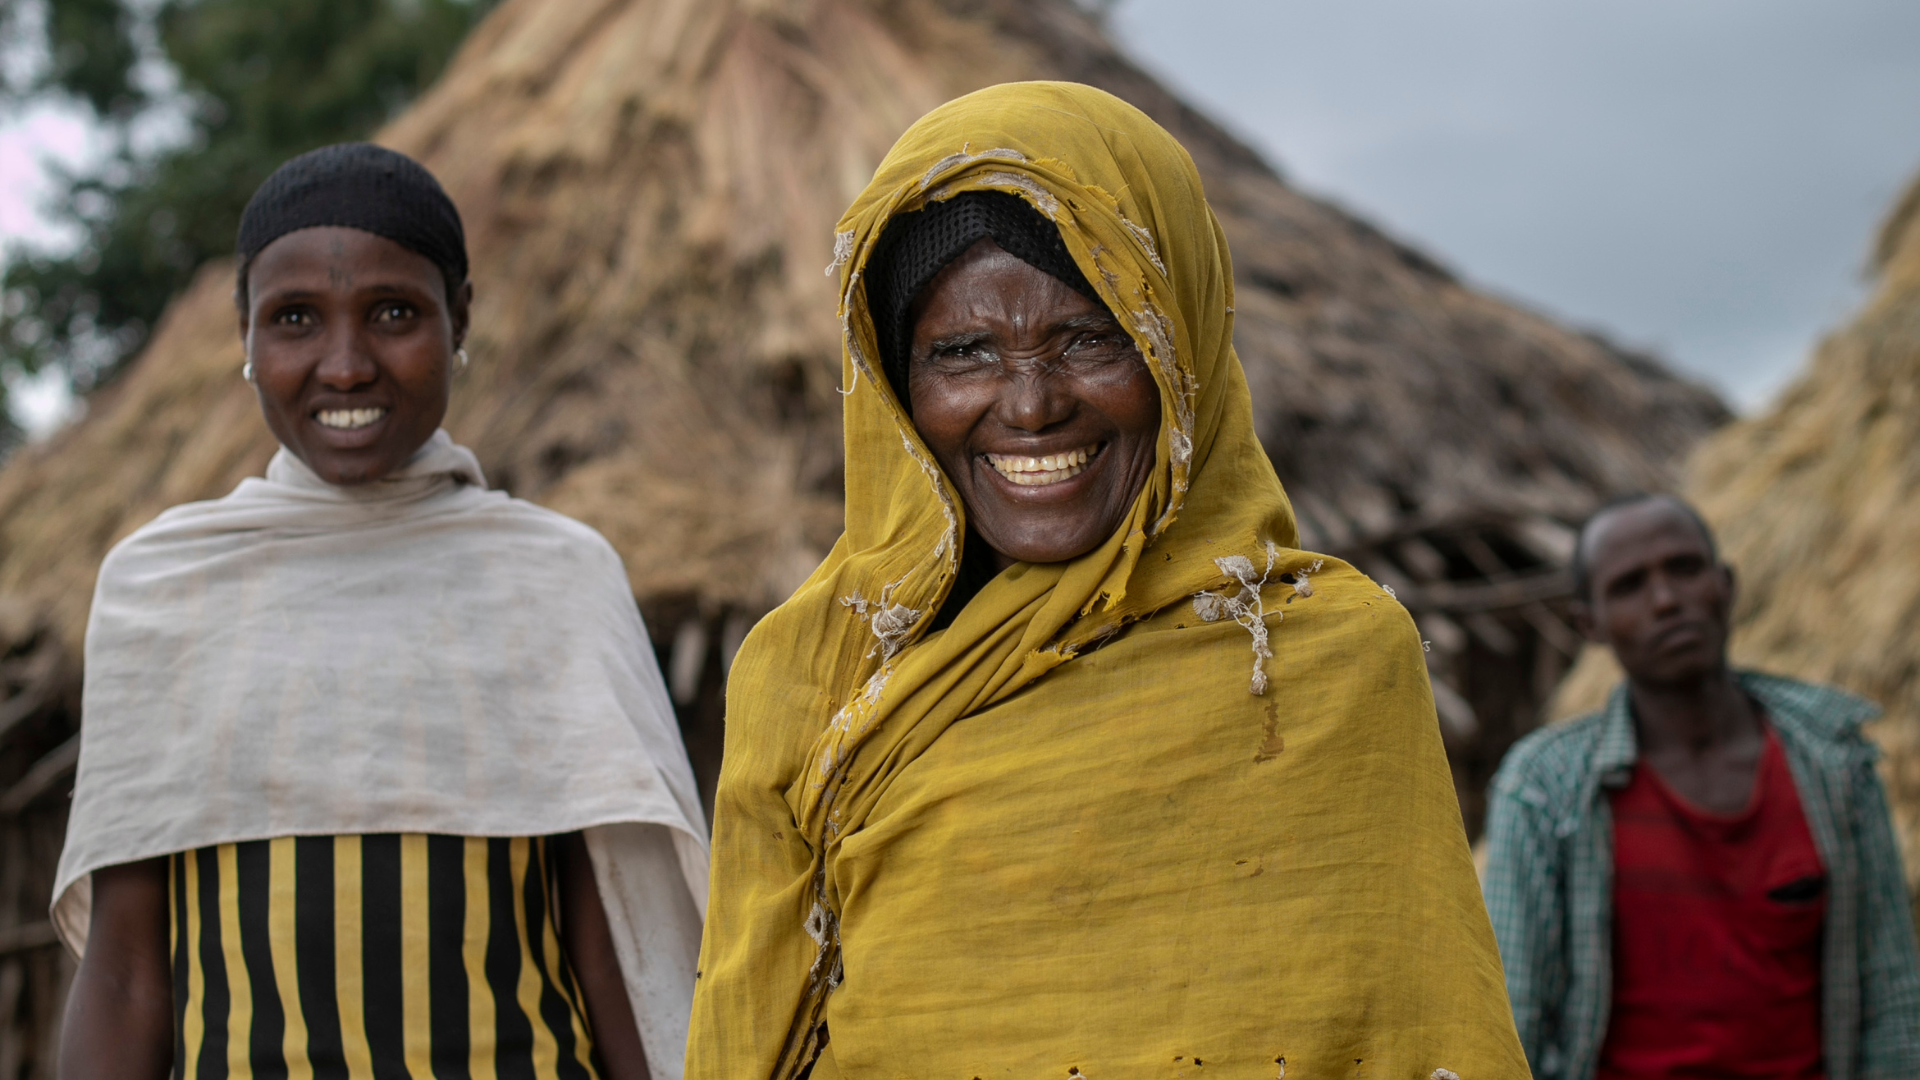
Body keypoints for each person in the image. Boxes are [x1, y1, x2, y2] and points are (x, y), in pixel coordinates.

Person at [685, 82, 1528, 1079]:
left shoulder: (1330, 663)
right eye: (962, 352)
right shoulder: (809, 678)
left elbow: (1413, 1035)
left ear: (1184, 351)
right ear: (895, 385)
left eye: (1088, 338)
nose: (1031, 406)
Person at [53, 143, 709, 1080]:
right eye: (294, 320)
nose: (347, 365)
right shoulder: (163, 591)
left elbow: (616, 941)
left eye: (394, 313)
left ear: (459, 321)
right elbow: (123, 975)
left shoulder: (551, 581)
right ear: (244, 335)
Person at [1482, 493, 1920, 1080]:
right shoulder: (1543, 788)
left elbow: (1890, 993)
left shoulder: (1835, 761)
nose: (1666, 601)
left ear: (1726, 586)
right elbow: (1517, 1016)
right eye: (1630, 586)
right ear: (1591, 625)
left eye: (1685, 569)